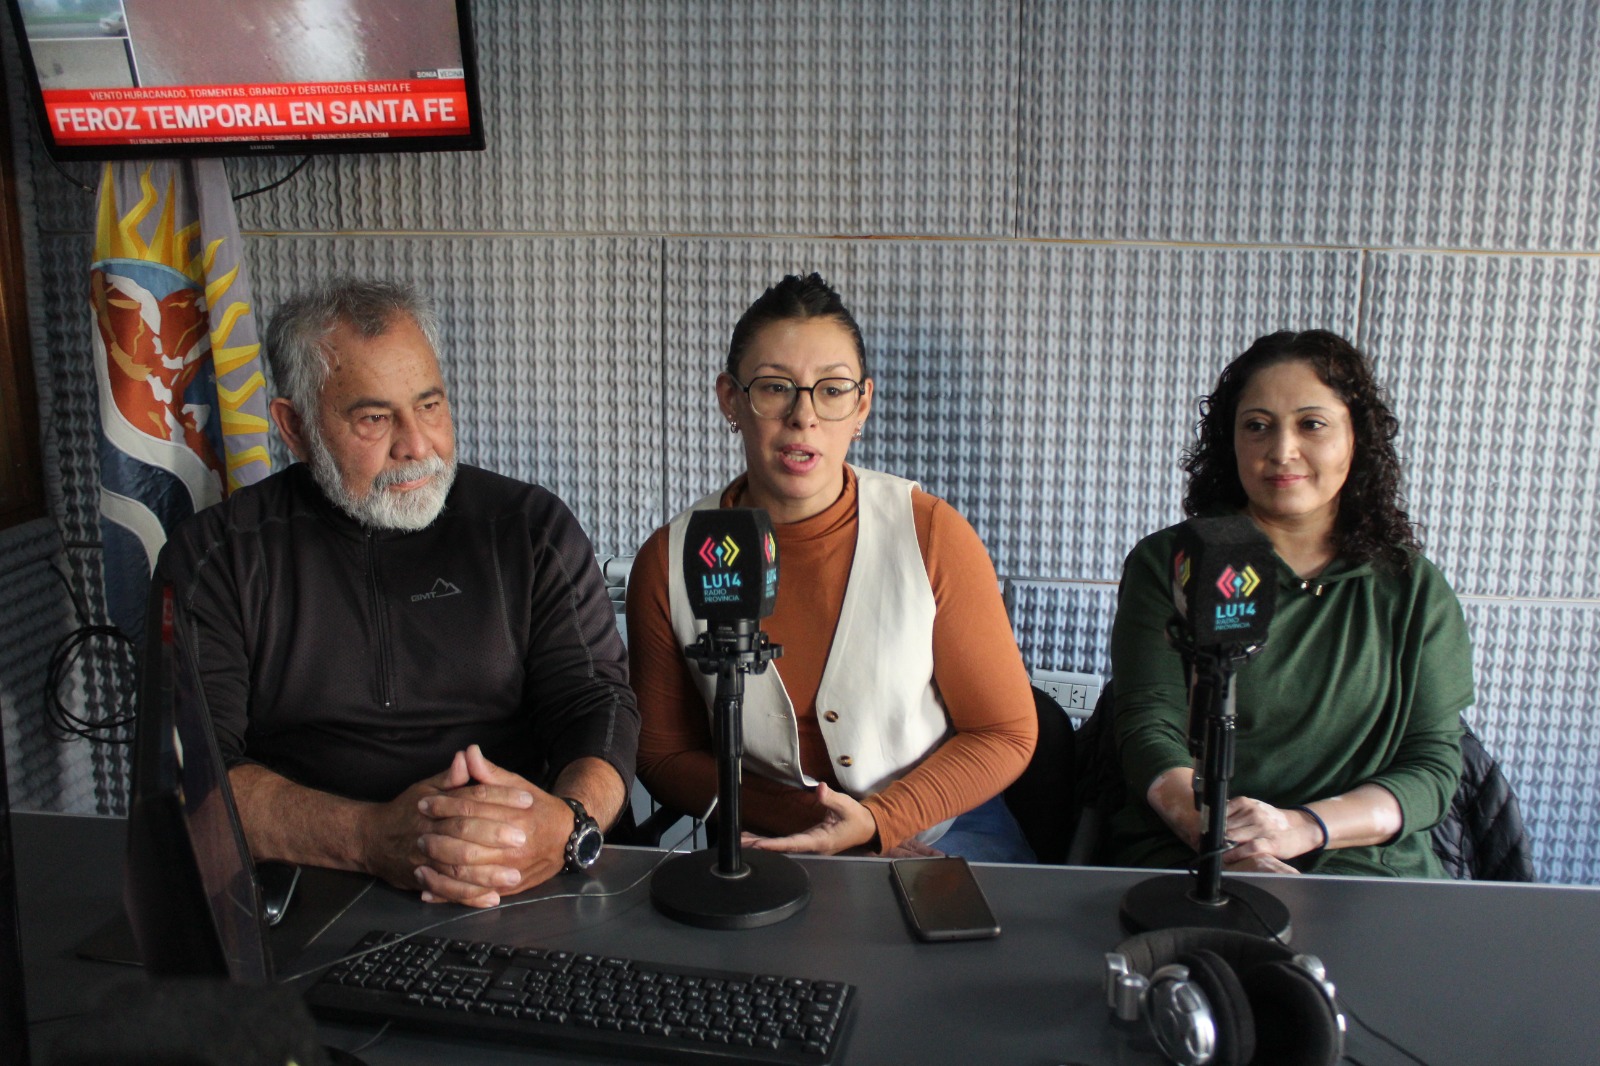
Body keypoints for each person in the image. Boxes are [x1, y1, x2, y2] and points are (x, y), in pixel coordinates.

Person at [155, 278, 638, 908]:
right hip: (306, 887)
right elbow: (193, 775)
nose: (416, 446)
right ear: (295, 426)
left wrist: (570, 824)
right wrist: (368, 836)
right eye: (374, 419)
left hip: (521, 875)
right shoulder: (216, 556)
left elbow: (598, 705)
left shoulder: (529, 529)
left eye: (429, 406)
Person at [625, 273, 1037, 861]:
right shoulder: (671, 559)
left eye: (832, 389)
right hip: (765, 837)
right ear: (731, 399)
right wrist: (810, 822)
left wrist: (882, 821)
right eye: (775, 388)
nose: (804, 416)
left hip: (939, 827)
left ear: (861, 404)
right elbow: (662, 754)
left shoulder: (932, 533)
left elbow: (1005, 731)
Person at [1106, 329, 1470, 877]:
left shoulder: (1411, 587)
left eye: (1311, 424)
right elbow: (1146, 725)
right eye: (1257, 425)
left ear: (1356, 437)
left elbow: (1433, 764)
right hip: (1193, 848)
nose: (1281, 451)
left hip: (1364, 861)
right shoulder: (1175, 561)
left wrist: (1303, 827)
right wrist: (1218, 838)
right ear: (1230, 441)